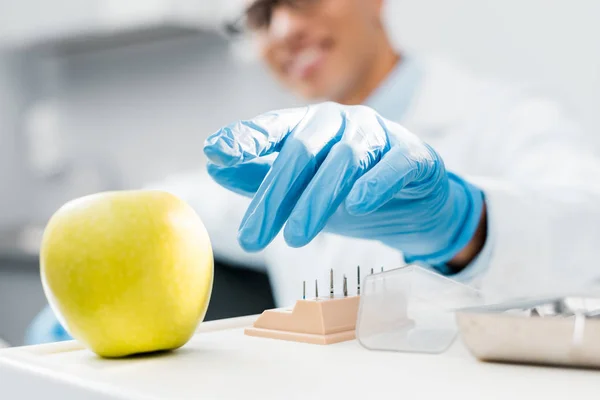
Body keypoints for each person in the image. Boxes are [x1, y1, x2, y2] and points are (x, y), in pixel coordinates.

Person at [26, 0, 600, 344]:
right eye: (259, 14)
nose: (281, 32)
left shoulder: (503, 116)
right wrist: (76, 305)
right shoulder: (286, 157)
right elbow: (186, 204)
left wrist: (462, 221)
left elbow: (585, 228)